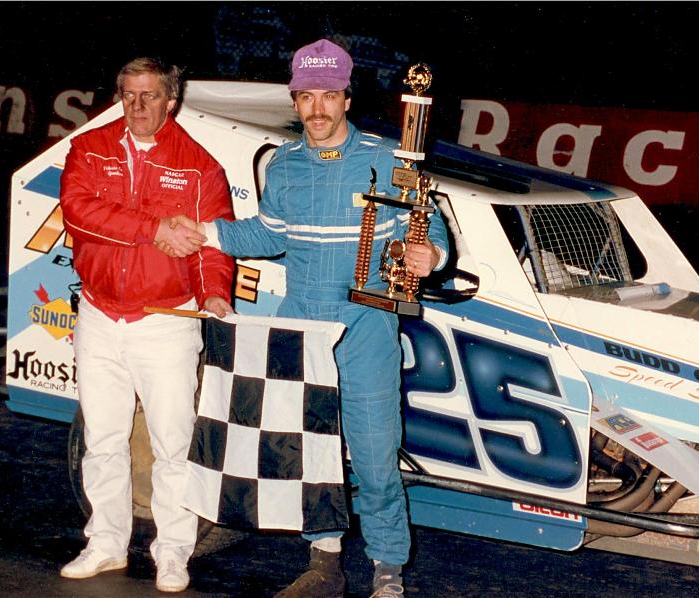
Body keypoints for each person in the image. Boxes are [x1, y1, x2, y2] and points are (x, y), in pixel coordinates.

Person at [167, 39, 449, 598]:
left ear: (347, 98)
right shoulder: (285, 164)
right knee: (311, 453)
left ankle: (388, 568)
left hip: (366, 327)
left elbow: (429, 227)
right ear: (295, 100)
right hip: (300, 327)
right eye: (306, 97)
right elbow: (268, 235)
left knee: (374, 457)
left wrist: (431, 255)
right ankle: (324, 561)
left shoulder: (389, 159)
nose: (317, 109)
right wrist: (209, 233)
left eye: (329, 96)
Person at [57, 57, 234, 593]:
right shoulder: (90, 148)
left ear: (170, 102)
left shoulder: (201, 167)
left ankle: (174, 552)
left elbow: (213, 245)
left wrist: (216, 292)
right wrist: (154, 228)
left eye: (149, 96)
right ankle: (106, 544)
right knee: (103, 439)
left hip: (165, 323)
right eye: (128, 94)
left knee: (172, 445)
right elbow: (78, 211)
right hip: (99, 313)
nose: (136, 106)